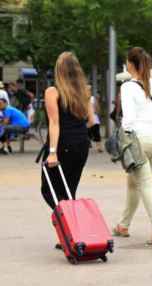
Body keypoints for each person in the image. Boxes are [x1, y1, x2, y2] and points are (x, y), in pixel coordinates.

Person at [112, 47, 152, 245]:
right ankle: (123, 225)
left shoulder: (128, 87)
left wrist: (123, 135)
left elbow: (128, 119)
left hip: (137, 141)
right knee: (134, 183)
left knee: (145, 185)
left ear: (131, 64)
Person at [40, 52, 95, 210]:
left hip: (63, 145)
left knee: (48, 189)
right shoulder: (84, 91)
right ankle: (72, 227)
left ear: (59, 70)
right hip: (81, 145)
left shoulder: (53, 91)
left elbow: (54, 123)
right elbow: (91, 121)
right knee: (69, 191)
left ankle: (67, 226)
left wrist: (52, 152)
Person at [88, 86, 103, 153]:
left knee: (96, 133)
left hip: (93, 118)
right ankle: (97, 146)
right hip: (87, 118)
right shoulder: (81, 98)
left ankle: (99, 147)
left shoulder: (93, 98)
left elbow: (97, 108)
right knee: (92, 133)